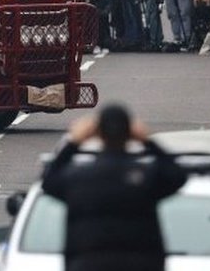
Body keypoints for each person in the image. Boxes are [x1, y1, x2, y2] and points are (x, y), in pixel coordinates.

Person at [41, 104, 188, 271]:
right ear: (130, 133)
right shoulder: (146, 178)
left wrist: (73, 143)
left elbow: (49, 181)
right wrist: (148, 142)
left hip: (88, 264)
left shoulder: (79, 177)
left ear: (98, 134)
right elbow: (177, 176)